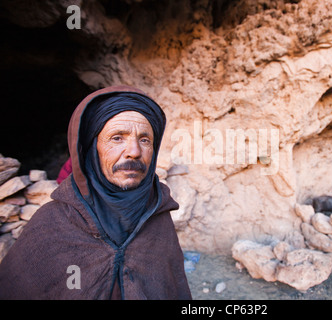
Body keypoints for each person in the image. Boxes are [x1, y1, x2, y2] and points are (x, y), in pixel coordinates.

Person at [0, 85, 192, 299]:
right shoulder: (51, 225)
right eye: (117, 138)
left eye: (145, 140)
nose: (134, 152)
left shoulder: (158, 219)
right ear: (93, 149)